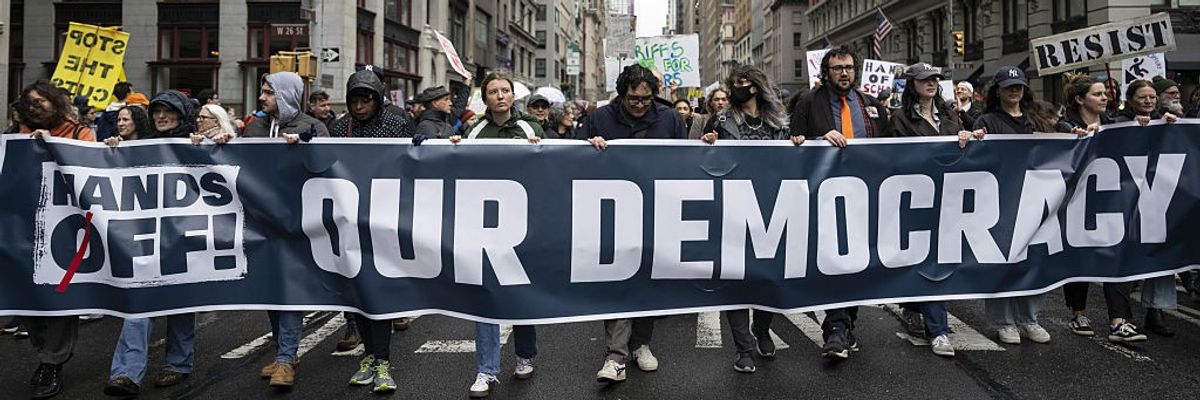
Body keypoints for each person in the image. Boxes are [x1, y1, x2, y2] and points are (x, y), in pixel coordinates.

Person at [575, 64, 686, 383]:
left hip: (657, 212)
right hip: (612, 214)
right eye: (633, 98)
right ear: (621, 94)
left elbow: (685, 162)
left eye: (646, 99)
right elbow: (573, 158)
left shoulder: (669, 118)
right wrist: (589, 147)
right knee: (617, 280)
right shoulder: (599, 118)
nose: (640, 104)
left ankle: (642, 344)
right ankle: (615, 355)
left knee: (648, 280)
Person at [786, 46, 888, 360]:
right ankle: (836, 329)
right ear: (826, 73)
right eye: (836, 68)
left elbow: (892, 147)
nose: (843, 73)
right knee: (834, 262)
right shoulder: (808, 102)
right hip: (826, 197)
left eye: (848, 67)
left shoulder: (870, 105)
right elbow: (793, 143)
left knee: (856, 264)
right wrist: (814, 141)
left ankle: (844, 325)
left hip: (866, 196)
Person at [882, 63, 987, 358]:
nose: (931, 83)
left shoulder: (951, 115)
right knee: (928, 263)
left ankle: (917, 308)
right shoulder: (901, 119)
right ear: (912, 84)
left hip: (949, 201)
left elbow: (963, 147)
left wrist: (967, 138)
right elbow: (895, 159)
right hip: (918, 200)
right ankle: (938, 329)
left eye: (934, 79)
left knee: (939, 263)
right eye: (925, 79)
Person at [448, 71, 542, 398]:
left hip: (522, 225)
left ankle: (525, 354)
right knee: (485, 295)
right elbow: (457, 168)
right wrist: (454, 148)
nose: (500, 96)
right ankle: (486, 370)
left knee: (519, 292)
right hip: (483, 224)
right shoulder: (473, 130)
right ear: (485, 97)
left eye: (505, 90)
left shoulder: (531, 127)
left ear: (513, 95)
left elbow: (551, 168)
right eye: (493, 91)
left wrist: (540, 149)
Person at [101, 90, 198, 397]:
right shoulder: (140, 146)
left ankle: (178, 364)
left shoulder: (196, 143)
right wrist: (114, 151)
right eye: (156, 111)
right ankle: (126, 373)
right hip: (146, 239)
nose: (161, 116)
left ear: (182, 115)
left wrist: (212, 145)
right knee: (140, 302)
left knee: (182, 303)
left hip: (184, 237)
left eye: (168, 110)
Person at [330, 69, 417, 395]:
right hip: (349, 223)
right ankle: (369, 356)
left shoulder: (395, 125)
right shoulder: (339, 128)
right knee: (357, 295)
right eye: (354, 99)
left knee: (378, 292)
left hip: (383, 223)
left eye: (366, 99)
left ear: (377, 99)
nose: (360, 106)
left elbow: (412, 165)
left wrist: (420, 145)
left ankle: (382, 360)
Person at [697, 64, 789, 372]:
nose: (736, 88)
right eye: (733, 83)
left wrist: (799, 145)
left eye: (742, 83)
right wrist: (707, 145)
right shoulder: (722, 120)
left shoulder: (778, 121)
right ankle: (744, 349)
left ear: (755, 86)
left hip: (771, 210)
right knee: (735, 280)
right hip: (732, 211)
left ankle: (762, 328)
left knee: (767, 278)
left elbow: (792, 162)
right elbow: (702, 161)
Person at [1050, 73, 1147, 343]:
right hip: (1077, 205)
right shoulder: (1065, 124)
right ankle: (1078, 312)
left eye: (1105, 93)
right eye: (1097, 94)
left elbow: (1140, 140)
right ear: (1080, 99)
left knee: (1116, 257)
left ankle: (1119, 320)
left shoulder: (1116, 123)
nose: (1104, 98)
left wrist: (1152, 124)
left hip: (1112, 204)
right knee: (1080, 258)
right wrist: (1075, 137)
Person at [15, 81, 95, 399]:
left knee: (61, 298)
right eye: (29, 103)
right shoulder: (14, 134)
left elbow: (92, 170)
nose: (34, 108)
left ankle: (51, 362)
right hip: (23, 231)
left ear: (56, 103)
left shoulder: (79, 135)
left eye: (41, 102)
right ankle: (45, 351)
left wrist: (52, 147)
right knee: (29, 299)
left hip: (64, 232)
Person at [972, 66, 1054, 346]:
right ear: (997, 90)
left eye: (1018, 85)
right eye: (1008, 86)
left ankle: (1029, 318)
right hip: (1000, 202)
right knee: (1002, 262)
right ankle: (1004, 321)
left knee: (1033, 261)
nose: (1014, 90)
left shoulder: (1039, 119)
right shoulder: (987, 121)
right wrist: (975, 141)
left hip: (1035, 200)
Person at [1112, 79, 1181, 337]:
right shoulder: (1119, 123)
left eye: (1152, 97)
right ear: (1130, 100)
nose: (1149, 102)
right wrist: (1132, 128)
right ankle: (1120, 315)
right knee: (1128, 255)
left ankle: (1155, 311)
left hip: (1158, 200)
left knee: (1161, 254)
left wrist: (1170, 127)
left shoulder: (1168, 120)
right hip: (1129, 200)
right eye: (1143, 97)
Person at [244, 72, 329, 142]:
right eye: (262, 92)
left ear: (287, 96)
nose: (261, 98)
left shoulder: (314, 128)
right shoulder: (254, 126)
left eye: (269, 93)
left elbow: (325, 160)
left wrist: (302, 148)